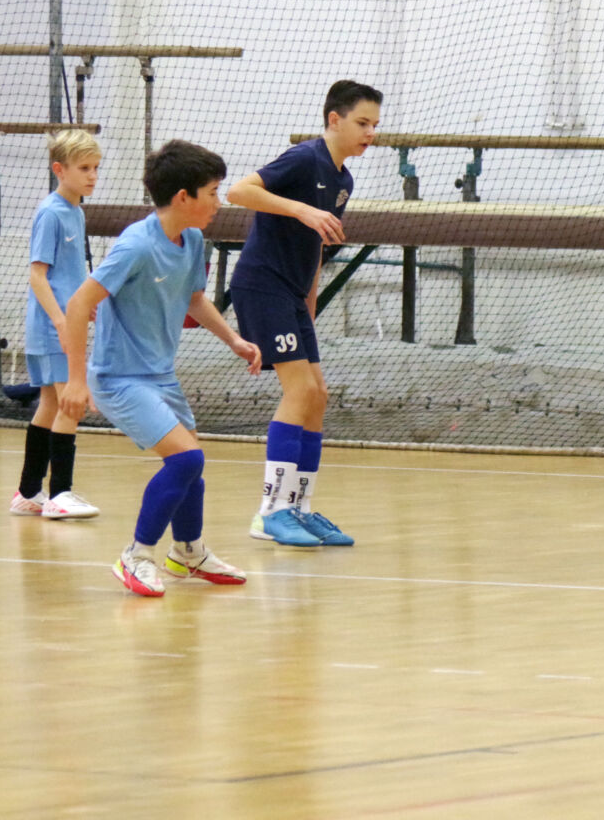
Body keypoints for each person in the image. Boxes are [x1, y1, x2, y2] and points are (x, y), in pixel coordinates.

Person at [60, 140, 261, 598]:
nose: (219, 201)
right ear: (183, 197)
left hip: (160, 377)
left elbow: (194, 299)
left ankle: (188, 553)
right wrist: (75, 380)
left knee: (189, 468)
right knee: (187, 458)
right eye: (213, 191)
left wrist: (233, 339)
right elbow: (78, 304)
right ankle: (136, 555)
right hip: (118, 379)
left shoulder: (192, 239)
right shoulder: (136, 245)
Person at [226, 80, 382, 547]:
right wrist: (301, 210)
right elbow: (237, 191)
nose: (370, 133)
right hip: (262, 284)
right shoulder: (304, 158)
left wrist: (308, 306)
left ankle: (300, 506)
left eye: (375, 125)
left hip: (292, 294)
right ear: (334, 119)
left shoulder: (343, 180)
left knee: (318, 395)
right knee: (300, 390)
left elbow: (315, 248)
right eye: (362, 122)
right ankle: (270, 512)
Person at [9, 129, 102, 520]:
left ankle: (29, 492)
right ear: (59, 169)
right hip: (52, 328)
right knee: (70, 404)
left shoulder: (76, 211)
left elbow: (69, 273)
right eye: (84, 168)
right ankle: (60, 493)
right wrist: (63, 321)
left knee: (50, 403)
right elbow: (38, 275)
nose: (92, 176)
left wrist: (83, 303)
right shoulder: (51, 212)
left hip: (66, 323)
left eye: (96, 168)